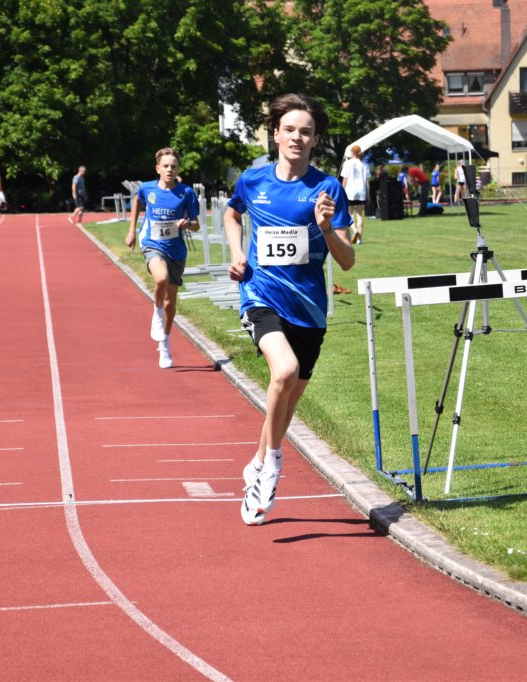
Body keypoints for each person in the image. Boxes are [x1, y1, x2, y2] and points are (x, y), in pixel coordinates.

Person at [224, 93, 355, 525]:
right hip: (260, 297)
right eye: (290, 129)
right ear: (276, 134)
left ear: (315, 139)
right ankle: (272, 466)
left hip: (309, 309)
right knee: (283, 371)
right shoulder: (253, 181)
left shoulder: (327, 188)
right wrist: (237, 252)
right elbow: (231, 215)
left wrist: (325, 228)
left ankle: (257, 460)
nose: (297, 137)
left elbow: (347, 260)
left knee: (286, 401)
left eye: (306, 131)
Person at [124, 148, 201, 369]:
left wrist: (187, 224)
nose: (169, 170)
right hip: (152, 243)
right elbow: (137, 201)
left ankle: (164, 343)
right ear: (158, 168)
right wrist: (131, 230)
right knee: (161, 278)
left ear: (178, 169)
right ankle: (156, 314)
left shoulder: (186, 193)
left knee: (171, 303)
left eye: (173, 166)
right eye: (165, 166)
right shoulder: (147, 188)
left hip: (176, 250)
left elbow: (196, 225)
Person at [340, 144, 369, 244]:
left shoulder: (347, 163)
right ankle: (360, 239)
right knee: (359, 215)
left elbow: (345, 179)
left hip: (349, 192)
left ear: (352, 152)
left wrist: (342, 191)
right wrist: (368, 194)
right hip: (361, 192)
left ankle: (354, 230)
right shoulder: (364, 164)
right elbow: (367, 181)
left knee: (349, 214)